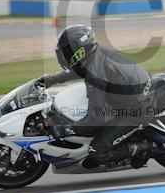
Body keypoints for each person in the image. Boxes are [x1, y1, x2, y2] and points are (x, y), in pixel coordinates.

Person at [37, 25, 153, 168]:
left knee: (96, 151)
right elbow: (78, 71)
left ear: (79, 51)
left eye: (66, 51)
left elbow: (96, 119)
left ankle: (143, 148)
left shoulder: (95, 75)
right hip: (136, 94)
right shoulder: (94, 55)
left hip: (137, 111)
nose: (62, 55)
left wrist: (65, 129)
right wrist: (51, 79)